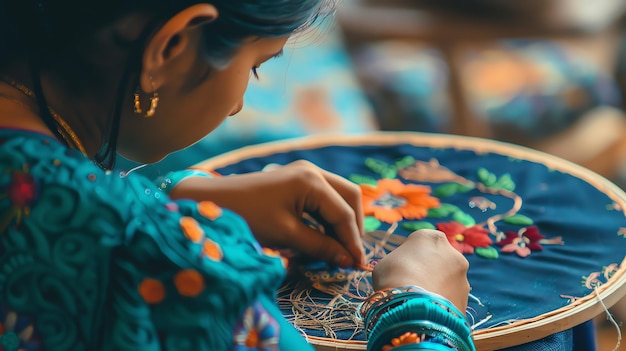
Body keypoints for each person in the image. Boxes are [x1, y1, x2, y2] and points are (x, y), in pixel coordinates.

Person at [0, 0, 473, 350]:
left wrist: (167, 194)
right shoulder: (162, 263)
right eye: (256, 66)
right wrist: (422, 311)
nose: (239, 103)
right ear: (171, 46)